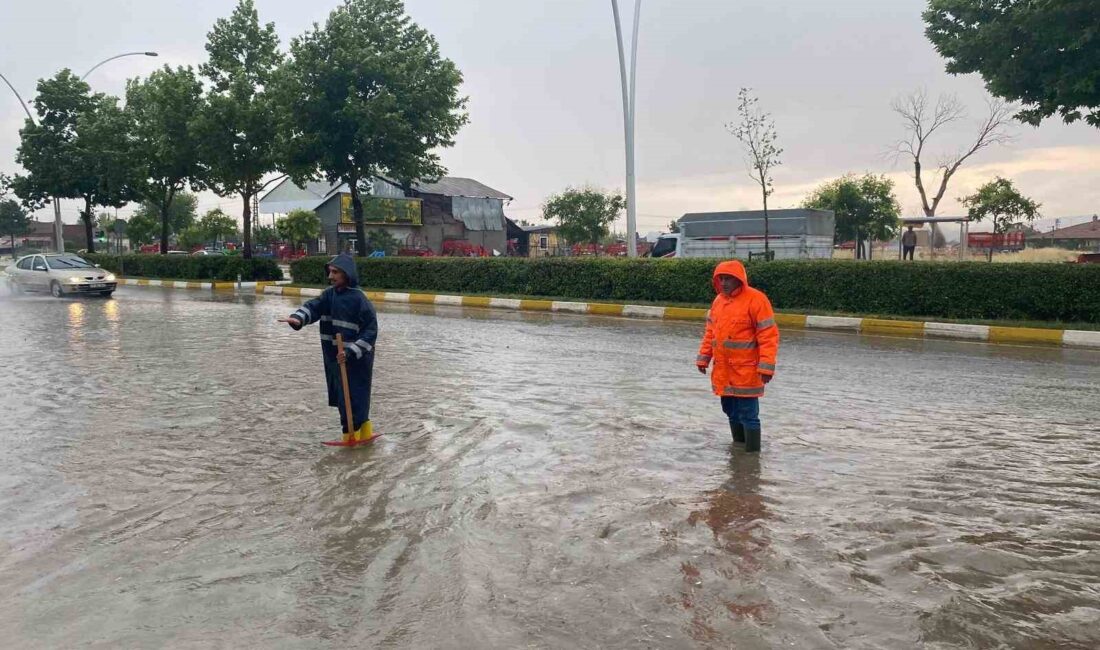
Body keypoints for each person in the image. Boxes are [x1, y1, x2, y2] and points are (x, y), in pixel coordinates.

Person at [279, 254, 378, 444]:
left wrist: (350, 352)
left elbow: (370, 332)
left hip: (355, 361)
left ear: (346, 274)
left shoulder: (359, 300)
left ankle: (352, 438)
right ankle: (364, 435)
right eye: (329, 272)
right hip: (334, 357)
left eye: (335, 272)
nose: (330, 277)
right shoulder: (329, 295)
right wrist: (297, 319)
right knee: (344, 397)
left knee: (355, 396)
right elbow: (313, 307)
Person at [696, 260, 780, 453]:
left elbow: (768, 336)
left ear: (739, 280)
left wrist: (766, 366)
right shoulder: (718, 302)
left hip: (747, 370)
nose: (724, 283)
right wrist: (703, 357)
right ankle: (739, 453)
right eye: (721, 279)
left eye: (729, 279)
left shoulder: (756, 300)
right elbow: (711, 333)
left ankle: (752, 457)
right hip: (723, 371)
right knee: (731, 412)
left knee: (749, 415)